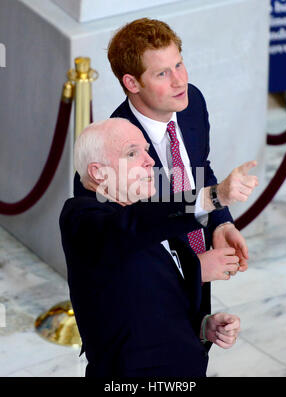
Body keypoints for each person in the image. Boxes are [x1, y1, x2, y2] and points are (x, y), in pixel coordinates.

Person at [73, 18, 258, 325]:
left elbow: (199, 169)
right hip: (144, 319)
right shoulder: (109, 157)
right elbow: (120, 256)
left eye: (179, 65)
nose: (179, 81)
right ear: (132, 83)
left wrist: (219, 223)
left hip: (198, 292)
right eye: (162, 73)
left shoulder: (191, 103)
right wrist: (194, 269)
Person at [61, 118, 257, 377]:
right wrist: (213, 196)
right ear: (99, 173)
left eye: (146, 150)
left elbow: (149, 297)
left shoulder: (143, 212)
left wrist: (202, 326)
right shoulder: (82, 219)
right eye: (132, 153)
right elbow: (128, 228)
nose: (149, 160)